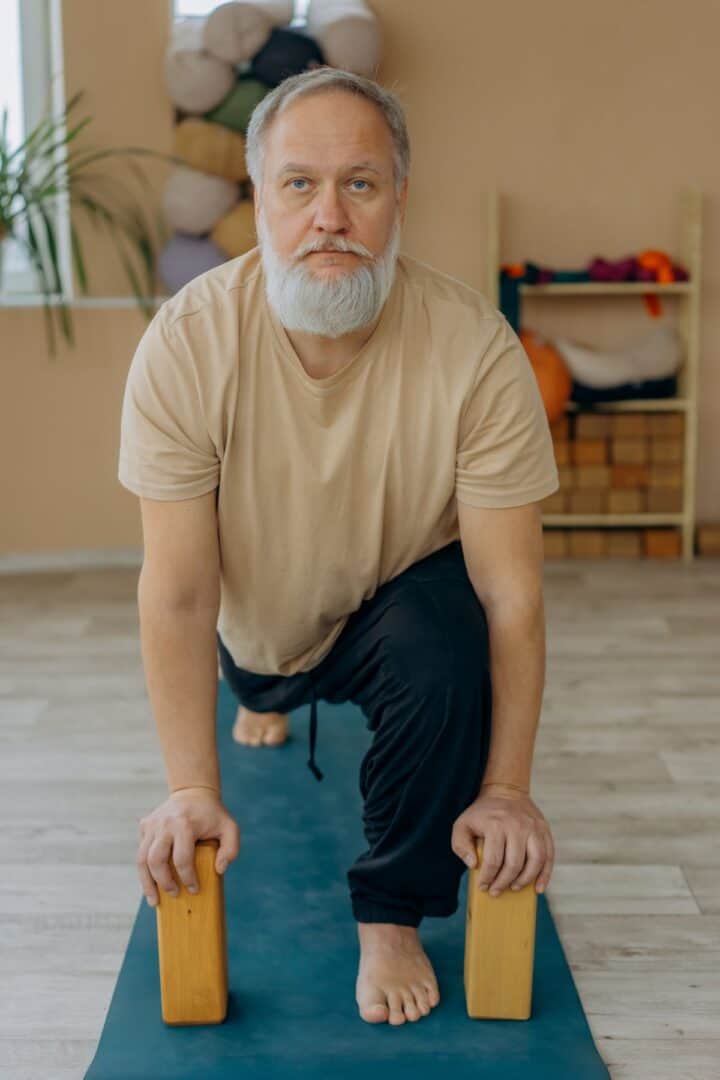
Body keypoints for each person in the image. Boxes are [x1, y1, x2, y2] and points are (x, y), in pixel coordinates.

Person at [120, 67, 559, 1027]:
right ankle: (270, 705)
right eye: (299, 184)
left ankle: (391, 916)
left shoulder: (477, 349)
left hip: (395, 601)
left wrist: (508, 790)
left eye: (359, 183)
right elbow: (181, 595)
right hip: (261, 633)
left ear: (400, 196)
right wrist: (192, 788)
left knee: (449, 636)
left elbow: (510, 597)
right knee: (261, 685)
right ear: (259, 200)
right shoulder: (187, 344)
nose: (330, 214)